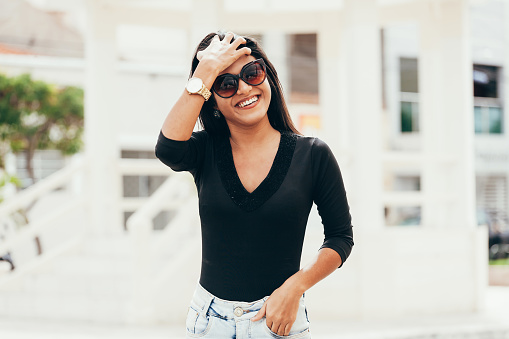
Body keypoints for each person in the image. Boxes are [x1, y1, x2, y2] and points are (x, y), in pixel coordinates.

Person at [155, 31, 354, 338]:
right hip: (209, 323)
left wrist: (295, 286)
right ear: (212, 101)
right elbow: (167, 149)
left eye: (252, 73)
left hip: (278, 320)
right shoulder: (205, 149)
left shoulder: (312, 154)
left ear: (268, 77)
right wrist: (205, 70)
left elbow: (340, 238)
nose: (244, 88)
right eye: (225, 83)